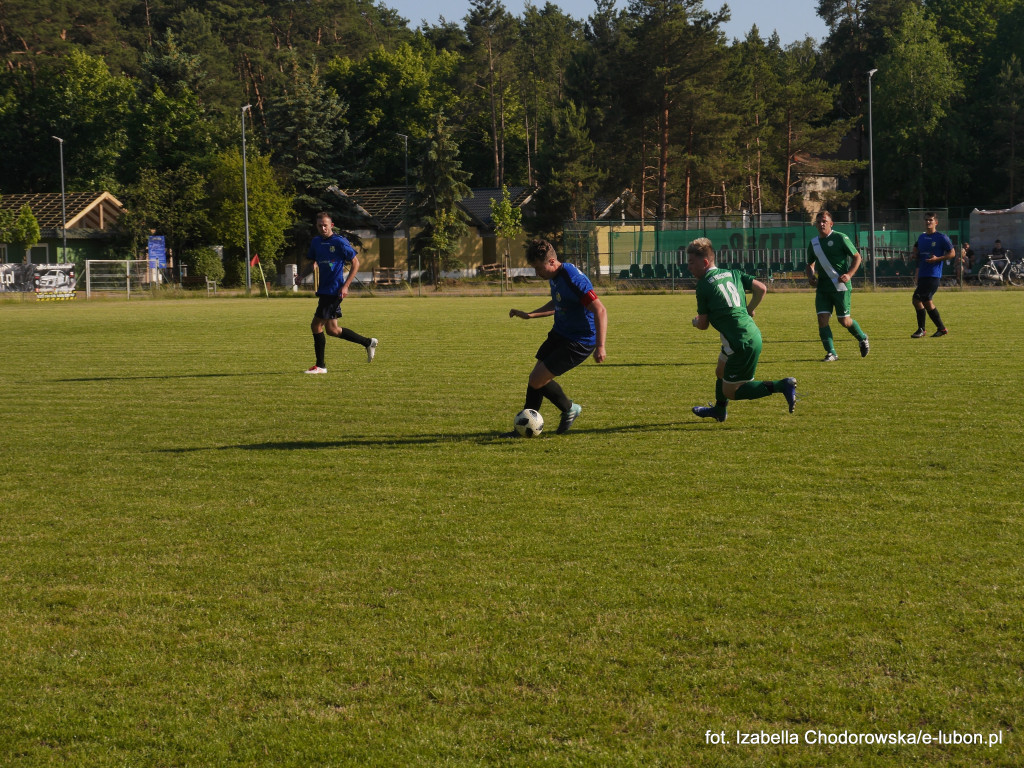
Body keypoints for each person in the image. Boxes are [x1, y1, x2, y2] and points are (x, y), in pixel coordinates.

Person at [688, 237, 796, 423]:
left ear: (705, 262)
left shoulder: (704, 285)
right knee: (720, 371)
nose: (688, 267)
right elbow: (761, 288)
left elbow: (703, 325)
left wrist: (695, 321)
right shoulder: (733, 273)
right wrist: (749, 308)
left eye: (691, 262)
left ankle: (782, 385)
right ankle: (719, 411)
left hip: (741, 342)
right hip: (746, 334)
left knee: (731, 391)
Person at [505, 239, 607, 435]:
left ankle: (570, 409)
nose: (537, 273)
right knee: (535, 379)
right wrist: (530, 314)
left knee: (537, 379)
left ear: (551, 262)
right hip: (560, 333)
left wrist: (600, 346)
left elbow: (600, 310)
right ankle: (525, 427)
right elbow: (558, 302)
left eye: (538, 268)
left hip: (580, 340)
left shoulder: (573, 279)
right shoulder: (555, 276)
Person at [296, 212, 377, 373]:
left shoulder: (339, 242)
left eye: (325, 225)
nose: (323, 228)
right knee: (333, 330)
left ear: (331, 225)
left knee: (315, 325)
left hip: (334, 291)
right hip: (324, 290)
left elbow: (355, 263)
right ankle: (368, 342)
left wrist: (346, 285)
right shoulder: (316, 242)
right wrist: (301, 276)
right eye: (320, 225)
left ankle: (320, 366)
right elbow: (313, 263)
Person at [805, 210, 870, 362]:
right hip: (823, 289)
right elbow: (809, 264)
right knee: (822, 319)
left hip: (840, 287)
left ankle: (862, 337)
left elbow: (857, 257)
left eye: (824, 221)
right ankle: (831, 352)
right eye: (819, 221)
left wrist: (849, 275)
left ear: (831, 224)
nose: (821, 224)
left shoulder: (840, 238)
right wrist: (811, 276)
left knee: (844, 321)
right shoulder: (814, 243)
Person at [910, 212, 956, 338]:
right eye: (926, 220)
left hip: (933, 274)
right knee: (927, 302)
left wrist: (937, 259)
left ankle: (921, 329)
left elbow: (952, 253)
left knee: (917, 299)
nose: (928, 222)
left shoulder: (941, 237)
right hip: (923, 274)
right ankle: (941, 328)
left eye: (930, 220)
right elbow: (916, 248)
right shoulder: (922, 237)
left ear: (936, 222)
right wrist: (914, 254)